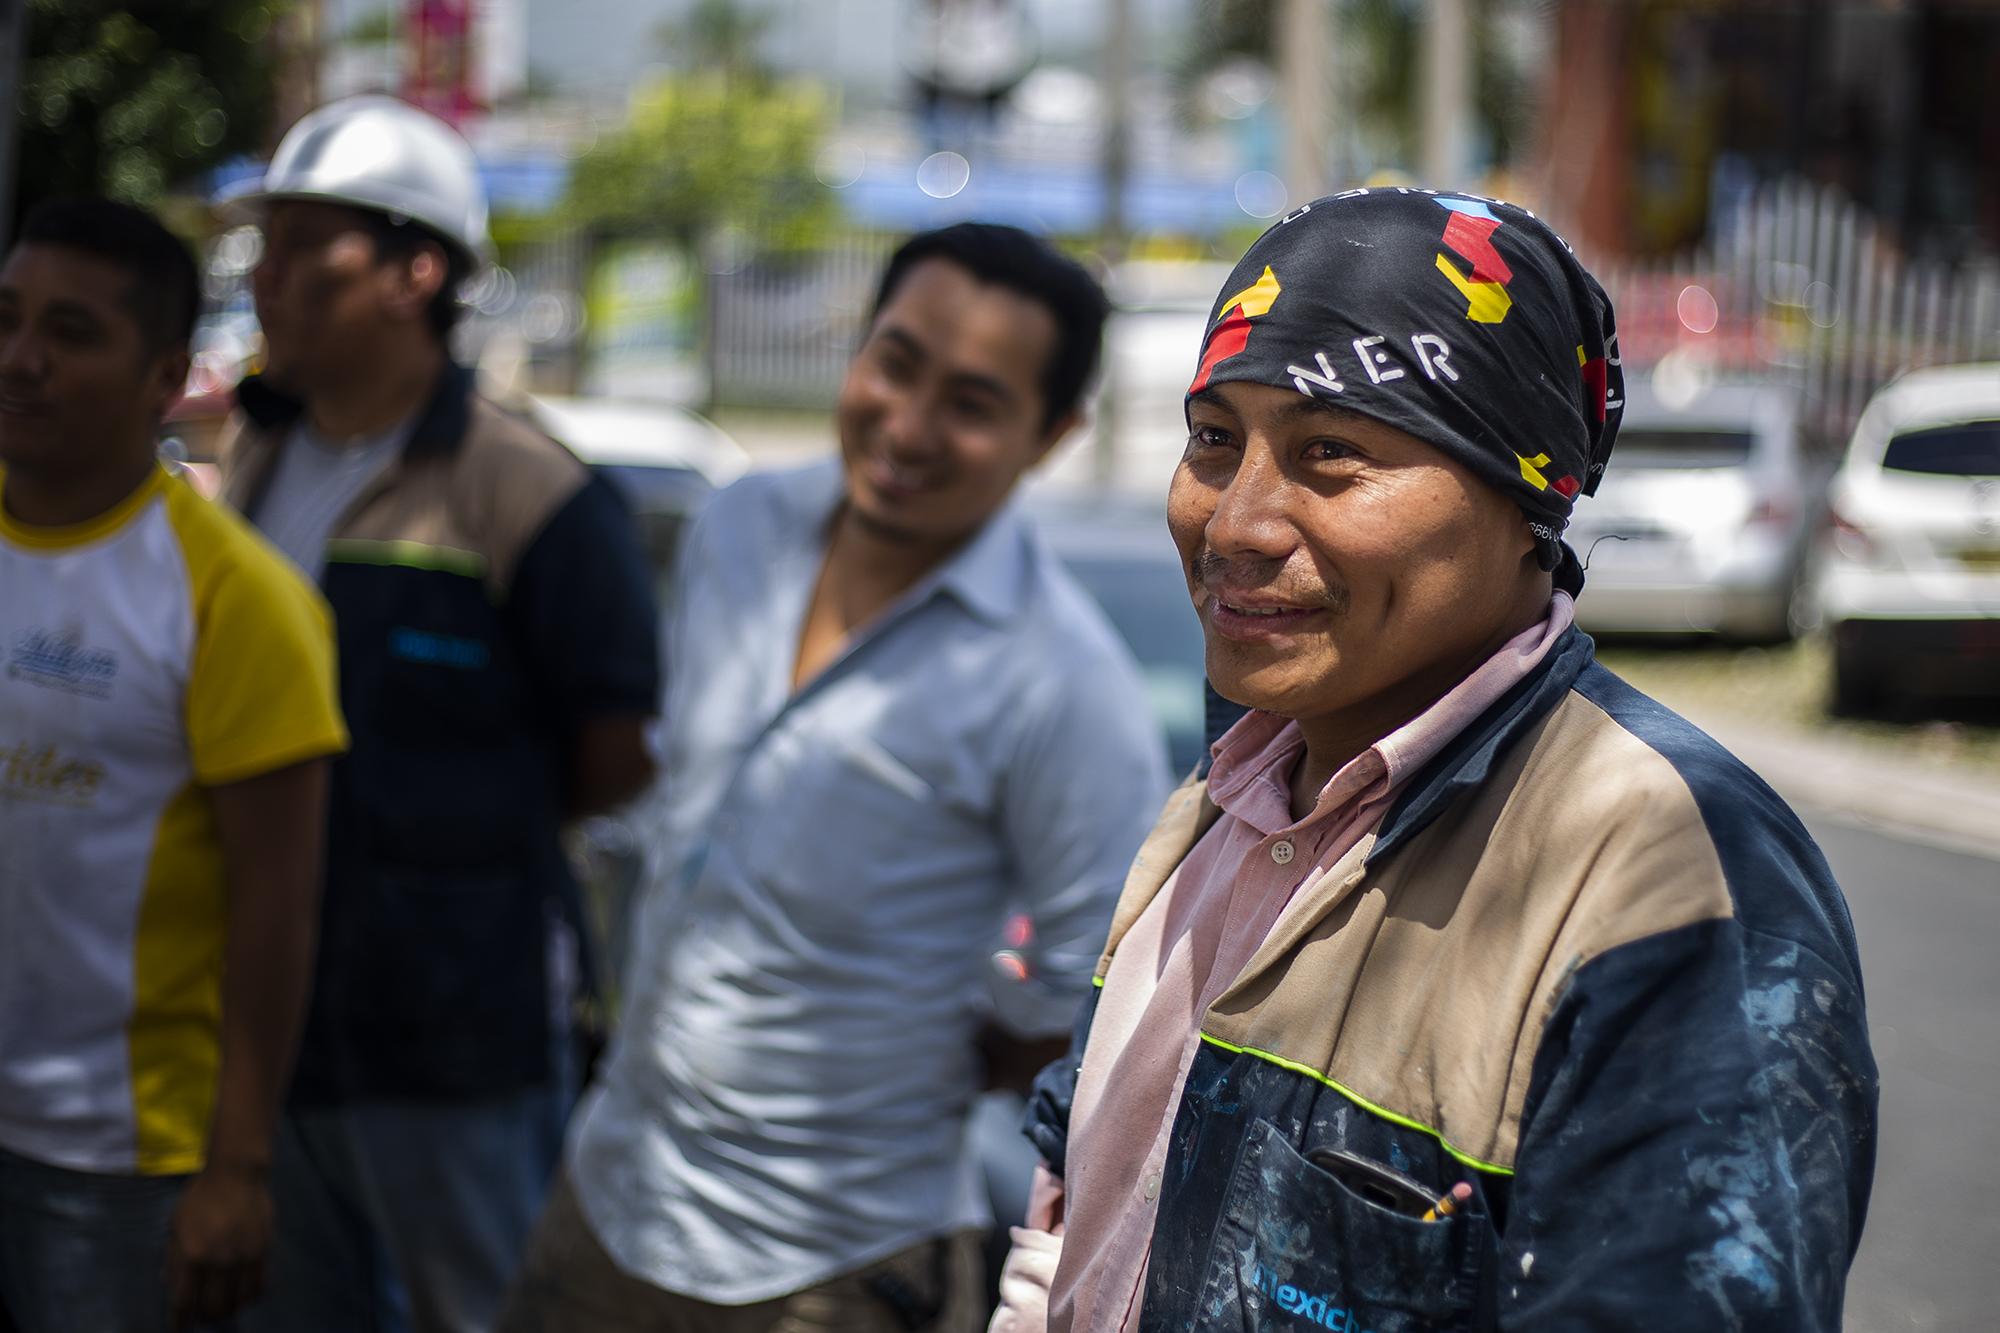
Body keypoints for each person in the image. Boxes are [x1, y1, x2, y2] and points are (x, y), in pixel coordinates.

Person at [990, 188, 1879, 1332]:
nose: (1236, 523)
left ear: (1527, 501)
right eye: (1214, 439)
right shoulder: (1222, 802)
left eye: (1330, 453)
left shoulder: (1663, 873)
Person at [499, 222, 1173, 1333]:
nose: (906, 425)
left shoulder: (1058, 680)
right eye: (894, 363)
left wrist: (913, 1048)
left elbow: (1086, 997)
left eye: (969, 401)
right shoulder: (740, 524)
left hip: (829, 1263)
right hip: (611, 1193)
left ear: (1050, 436)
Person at [214, 96, 661, 1333]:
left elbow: (616, 752)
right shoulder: (254, 459)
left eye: (310, 248)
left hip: (454, 1040)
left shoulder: (530, 492)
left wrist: (437, 850)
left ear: (418, 271)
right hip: (265, 1034)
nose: (270, 281)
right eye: (269, 247)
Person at [0, 197, 346, 1332]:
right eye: (5, 319)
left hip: (118, 1159)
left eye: (71, 332)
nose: (23, 359)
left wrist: (236, 1169)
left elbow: (277, 911)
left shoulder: (239, 603)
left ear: (162, 378)